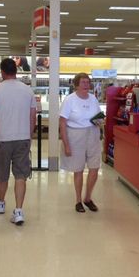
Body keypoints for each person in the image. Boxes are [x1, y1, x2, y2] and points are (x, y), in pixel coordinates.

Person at [0, 58, 36, 226]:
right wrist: (29, 135)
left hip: (3, 139)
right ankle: (19, 211)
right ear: (16, 71)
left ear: (2, 72)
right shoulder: (28, 91)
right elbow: (32, 116)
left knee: (2, 174)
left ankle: (1, 203)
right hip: (22, 139)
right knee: (21, 175)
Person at [59, 72, 102, 213]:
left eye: (87, 82)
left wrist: (100, 122)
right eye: (82, 82)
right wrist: (66, 144)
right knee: (78, 169)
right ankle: (78, 200)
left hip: (93, 134)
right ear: (76, 85)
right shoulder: (69, 100)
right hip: (75, 135)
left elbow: (98, 117)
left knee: (94, 167)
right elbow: (62, 122)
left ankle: (88, 198)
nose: (85, 85)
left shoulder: (93, 99)